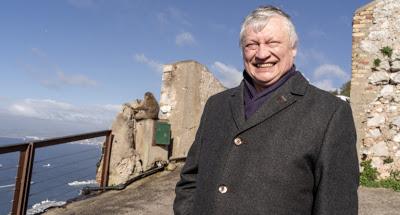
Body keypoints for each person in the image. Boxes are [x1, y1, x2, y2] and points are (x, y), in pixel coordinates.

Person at [174, 5, 359, 215]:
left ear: (293, 48)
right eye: (252, 44)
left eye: (272, 42)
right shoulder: (216, 105)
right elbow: (190, 180)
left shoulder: (330, 113)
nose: (262, 54)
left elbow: (336, 207)